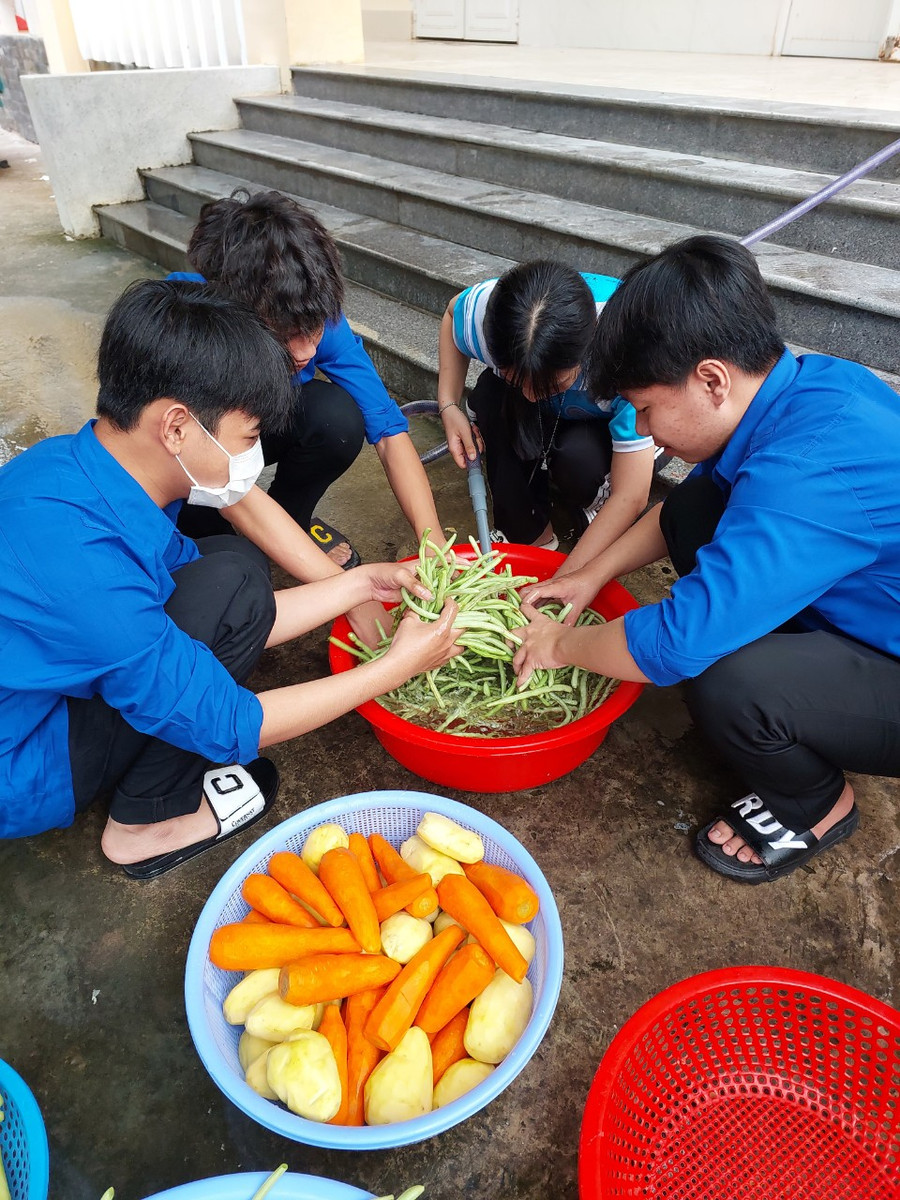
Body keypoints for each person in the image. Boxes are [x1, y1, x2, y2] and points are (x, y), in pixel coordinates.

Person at [0, 279, 459, 875]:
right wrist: (395, 666)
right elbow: (232, 724)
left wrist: (357, 584)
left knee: (232, 571)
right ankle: (141, 827)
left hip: (38, 686)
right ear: (177, 427)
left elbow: (212, 604)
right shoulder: (90, 582)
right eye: (248, 437)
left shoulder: (76, 468)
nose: (251, 456)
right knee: (229, 600)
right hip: (25, 761)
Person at [512, 234, 900, 884]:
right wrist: (585, 577)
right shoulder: (805, 388)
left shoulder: (803, 474)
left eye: (646, 410)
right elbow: (680, 513)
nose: (649, 435)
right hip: (867, 610)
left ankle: (815, 803)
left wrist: (558, 646)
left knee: (727, 680)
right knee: (696, 509)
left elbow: (671, 646)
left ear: (711, 379)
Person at [169, 189, 443, 568]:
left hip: (247, 438)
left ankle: (291, 521)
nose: (304, 353)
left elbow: (389, 432)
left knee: (337, 418)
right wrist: (342, 587)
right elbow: (218, 484)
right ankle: (258, 539)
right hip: (189, 464)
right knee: (223, 558)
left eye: (312, 330)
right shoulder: (186, 326)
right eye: (284, 336)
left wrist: (435, 545)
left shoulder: (311, 310)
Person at [437, 260, 659, 567]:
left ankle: (592, 501)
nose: (529, 395)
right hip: (564, 405)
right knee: (492, 397)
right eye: (517, 379)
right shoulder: (494, 317)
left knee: (578, 458)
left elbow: (633, 495)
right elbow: (452, 311)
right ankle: (531, 533)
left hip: (606, 421)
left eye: (553, 383)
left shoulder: (632, 353)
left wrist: (566, 579)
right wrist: (448, 404)